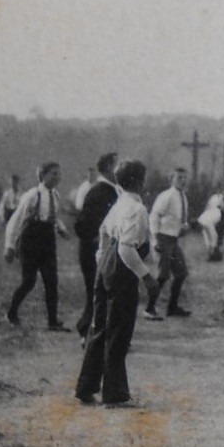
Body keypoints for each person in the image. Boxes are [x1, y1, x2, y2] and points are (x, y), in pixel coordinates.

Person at [76, 159, 161, 407]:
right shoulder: (137, 209)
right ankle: (113, 392)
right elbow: (126, 248)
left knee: (100, 326)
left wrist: (102, 261)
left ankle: (86, 386)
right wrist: (146, 276)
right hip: (122, 267)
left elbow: (103, 232)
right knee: (119, 330)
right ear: (139, 181)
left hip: (105, 266)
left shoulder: (119, 204)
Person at [4, 162, 71, 330]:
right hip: (31, 240)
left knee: (51, 280)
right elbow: (17, 219)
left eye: (59, 174)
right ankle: (11, 313)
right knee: (29, 281)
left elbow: (54, 216)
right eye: (54, 174)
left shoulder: (55, 195)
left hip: (48, 241)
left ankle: (53, 321)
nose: (58, 177)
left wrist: (62, 229)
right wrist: (10, 246)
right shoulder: (32, 195)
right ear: (42, 175)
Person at [73, 152, 119, 339]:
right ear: (108, 167)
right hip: (93, 251)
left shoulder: (111, 190)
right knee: (96, 293)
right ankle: (88, 331)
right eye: (118, 164)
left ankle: (96, 331)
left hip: (103, 250)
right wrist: (97, 239)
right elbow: (83, 225)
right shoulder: (98, 191)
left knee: (103, 293)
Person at [146, 167, 192, 319]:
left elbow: (179, 219)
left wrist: (184, 226)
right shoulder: (166, 195)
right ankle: (149, 308)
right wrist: (155, 238)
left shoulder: (183, 197)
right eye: (179, 177)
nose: (183, 180)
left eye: (185, 177)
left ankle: (172, 308)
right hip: (163, 238)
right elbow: (154, 216)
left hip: (173, 239)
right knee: (163, 275)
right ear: (171, 179)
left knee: (181, 273)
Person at [197, 188, 224, 261]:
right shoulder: (216, 198)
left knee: (212, 236)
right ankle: (213, 253)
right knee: (210, 236)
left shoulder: (218, 198)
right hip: (211, 216)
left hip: (213, 216)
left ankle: (214, 253)